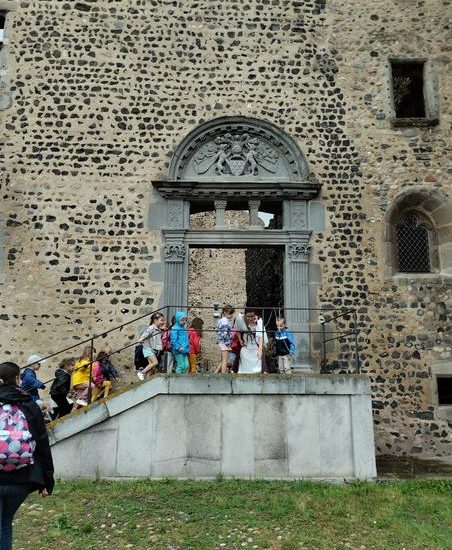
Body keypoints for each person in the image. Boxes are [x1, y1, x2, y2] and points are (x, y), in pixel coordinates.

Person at [0, 361, 54, 550]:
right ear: (17, 379)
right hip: (22, 478)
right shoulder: (29, 404)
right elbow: (42, 442)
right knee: (5, 524)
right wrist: (46, 480)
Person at [235, 308, 268, 374]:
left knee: (258, 355)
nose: (250, 318)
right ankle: (243, 372)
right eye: (248, 316)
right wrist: (240, 339)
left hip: (256, 344)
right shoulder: (240, 319)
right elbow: (237, 329)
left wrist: (260, 349)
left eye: (252, 316)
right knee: (242, 352)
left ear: (255, 315)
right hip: (246, 344)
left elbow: (260, 336)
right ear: (245, 315)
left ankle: (258, 372)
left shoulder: (258, 321)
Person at [137, 312, 165, 380]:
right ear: (155, 320)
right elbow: (146, 333)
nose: (163, 322)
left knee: (151, 367)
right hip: (148, 349)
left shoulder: (157, 329)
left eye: (163, 320)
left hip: (152, 350)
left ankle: (146, 379)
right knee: (155, 362)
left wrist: (162, 330)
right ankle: (142, 372)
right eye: (161, 320)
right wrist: (141, 339)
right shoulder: (152, 328)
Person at [215, 305, 235, 374]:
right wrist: (227, 344)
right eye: (230, 313)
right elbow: (224, 334)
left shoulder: (222, 320)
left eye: (232, 313)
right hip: (224, 343)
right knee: (225, 361)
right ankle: (223, 376)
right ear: (225, 313)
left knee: (223, 360)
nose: (231, 315)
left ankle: (215, 373)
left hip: (222, 342)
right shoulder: (225, 321)